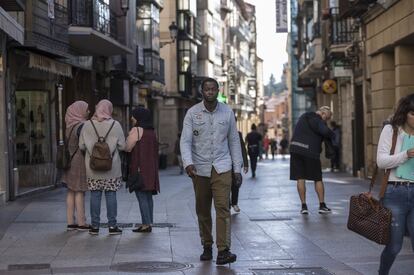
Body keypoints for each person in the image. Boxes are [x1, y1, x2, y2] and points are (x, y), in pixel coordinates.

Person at [180, 77, 243, 265]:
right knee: (203, 209)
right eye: (206, 89)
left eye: (213, 89)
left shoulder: (227, 112)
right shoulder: (192, 113)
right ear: (202, 91)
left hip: (222, 166)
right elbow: (185, 140)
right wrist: (188, 163)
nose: (210, 92)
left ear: (218, 91)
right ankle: (207, 244)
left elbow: (234, 141)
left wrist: (237, 169)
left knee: (223, 208)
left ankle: (223, 250)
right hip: (199, 168)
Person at [377, 94, 414, 275]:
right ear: (405, 113)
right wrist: (406, 154)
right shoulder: (391, 130)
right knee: (394, 246)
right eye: (413, 114)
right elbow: (381, 162)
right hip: (395, 193)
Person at [79, 99, 126, 235]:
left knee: (95, 195)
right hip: (112, 168)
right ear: (109, 109)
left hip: (92, 168)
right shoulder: (116, 125)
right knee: (111, 195)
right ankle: (112, 226)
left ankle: (95, 227)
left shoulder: (87, 125)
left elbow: (81, 146)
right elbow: (122, 146)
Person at [289, 106, 335, 215]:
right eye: (326, 118)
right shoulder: (317, 120)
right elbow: (325, 131)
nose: (326, 121)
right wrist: (332, 134)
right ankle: (322, 205)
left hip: (295, 149)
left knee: (300, 178)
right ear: (323, 114)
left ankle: (304, 206)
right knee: (317, 178)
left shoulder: (303, 116)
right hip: (310, 152)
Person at [125, 107, 160, 233]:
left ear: (139, 117)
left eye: (133, 116)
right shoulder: (152, 132)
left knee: (141, 196)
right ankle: (149, 222)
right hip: (151, 169)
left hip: (139, 169)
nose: (131, 118)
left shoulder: (136, 130)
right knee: (148, 196)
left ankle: (145, 224)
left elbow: (128, 147)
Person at [61, 101, 91, 231]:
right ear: (79, 111)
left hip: (69, 161)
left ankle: (70, 222)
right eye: (86, 109)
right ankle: (81, 223)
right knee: (80, 191)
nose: (88, 111)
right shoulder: (82, 126)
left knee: (71, 191)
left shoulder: (69, 125)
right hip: (79, 160)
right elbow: (85, 145)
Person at [230, 119, 249, 213]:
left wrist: (246, 163)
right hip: (222, 163)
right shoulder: (220, 132)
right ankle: (228, 203)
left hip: (235, 163)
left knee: (236, 183)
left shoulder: (238, 134)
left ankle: (234, 203)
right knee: (225, 184)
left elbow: (242, 148)